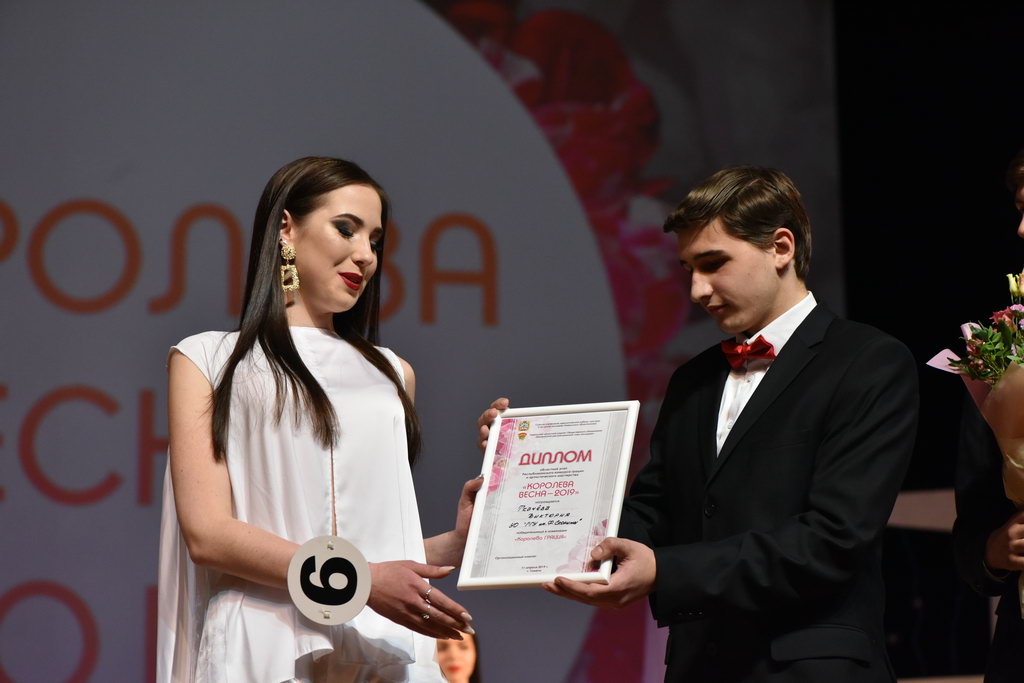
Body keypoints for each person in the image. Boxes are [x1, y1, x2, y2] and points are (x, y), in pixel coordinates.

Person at [482, 166, 919, 681]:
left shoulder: (868, 362)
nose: (695, 290)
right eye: (689, 268)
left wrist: (664, 571)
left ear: (781, 248)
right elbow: (654, 511)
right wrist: (524, 472)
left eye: (713, 264)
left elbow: (834, 540)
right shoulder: (693, 379)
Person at [157, 157, 480, 683]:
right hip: (264, 646)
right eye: (346, 229)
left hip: (377, 646)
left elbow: (375, 546)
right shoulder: (208, 360)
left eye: (375, 240)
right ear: (286, 228)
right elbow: (208, 535)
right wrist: (360, 580)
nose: (365, 255)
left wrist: (458, 543)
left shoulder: (393, 374)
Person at [953, 147, 1024, 683]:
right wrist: (996, 550)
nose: (1021, 230)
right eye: (1019, 210)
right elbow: (972, 525)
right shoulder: (1005, 346)